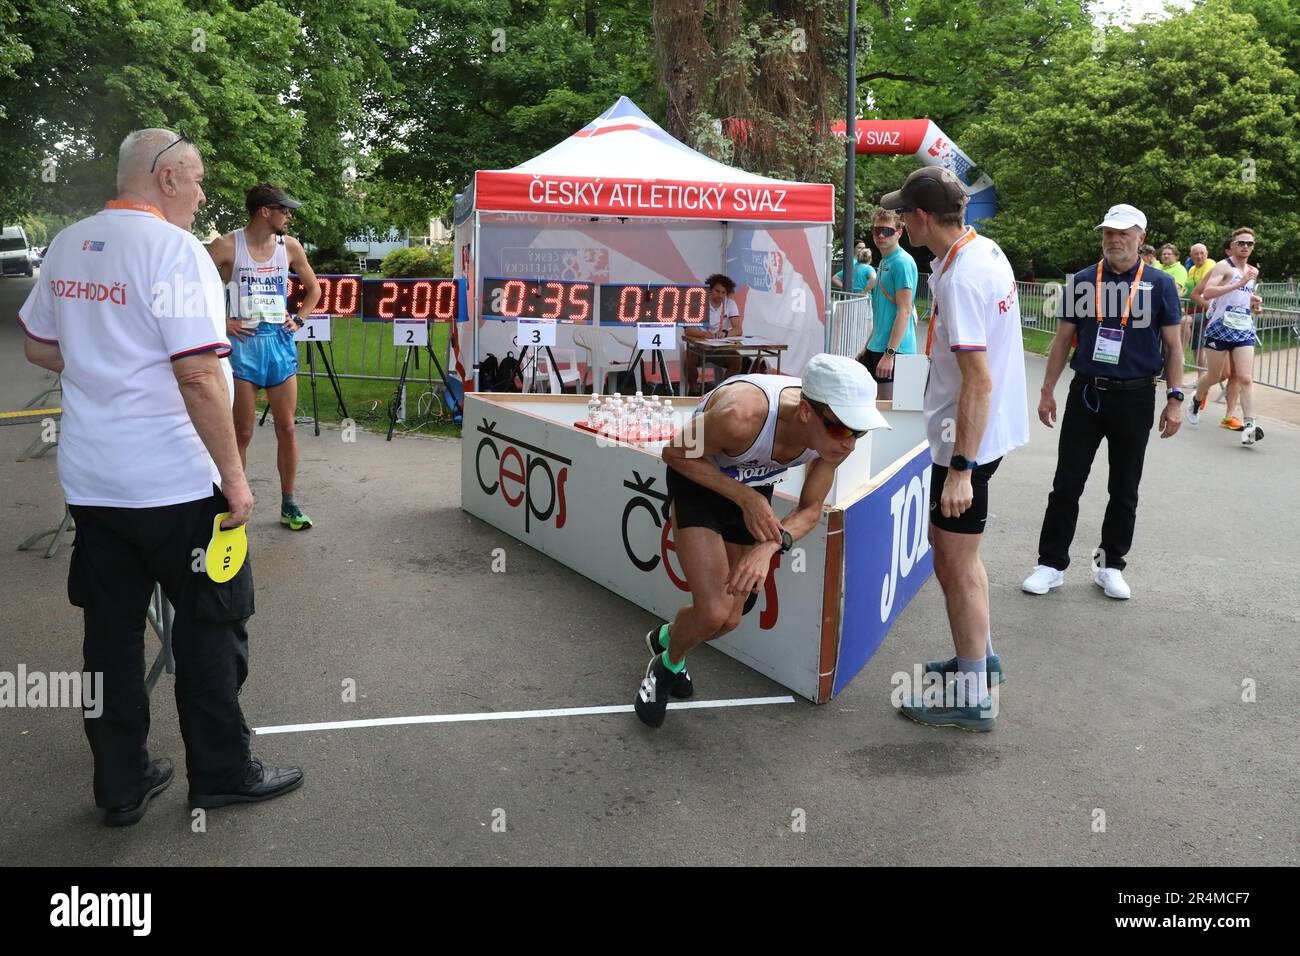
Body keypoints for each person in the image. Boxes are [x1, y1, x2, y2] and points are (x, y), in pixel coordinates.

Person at [17, 129, 303, 826]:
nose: (205, 193)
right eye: (198, 179)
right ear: (166, 177)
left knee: (109, 637)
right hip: (175, 485)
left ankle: (120, 783)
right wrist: (237, 482)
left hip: (93, 482)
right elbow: (200, 374)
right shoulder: (174, 251)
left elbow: (36, 343)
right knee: (211, 624)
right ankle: (221, 772)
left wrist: (104, 365)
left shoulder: (69, 242)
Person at [633, 355, 890, 727]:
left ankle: (667, 638)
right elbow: (673, 452)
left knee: (732, 618)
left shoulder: (831, 442)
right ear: (805, 412)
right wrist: (745, 497)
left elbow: (810, 510)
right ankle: (666, 664)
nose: (849, 444)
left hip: (750, 492)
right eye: (841, 429)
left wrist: (769, 547)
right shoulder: (741, 415)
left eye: (859, 431)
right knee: (713, 612)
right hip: (699, 480)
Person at [881, 166, 1028, 732]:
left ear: (920, 218)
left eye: (901, 214)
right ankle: (978, 661)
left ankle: (974, 696)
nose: (896, 222)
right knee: (959, 560)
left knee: (954, 563)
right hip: (979, 437)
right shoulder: (979, 252)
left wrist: (961, 469)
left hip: (967, 445)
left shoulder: (960, 277)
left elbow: (978, 380)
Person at [1023, 203, 1184, 603]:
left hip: (1136, 395)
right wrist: (1046, 391)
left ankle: (1110, 565)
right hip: (1088, 394)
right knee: (1066, 483)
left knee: (1124, 487)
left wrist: (1175, 398)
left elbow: (1174, 346)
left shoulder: (1160, 285)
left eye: (1123, 233)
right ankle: (1051, 564)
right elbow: (1062, 342)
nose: (1114, 240)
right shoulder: (1082, 282)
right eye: (1109, 233)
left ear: (1140, 238)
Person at [207, 183, 320, 530]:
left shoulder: (290, 247)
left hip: (279, 342)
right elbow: (191, 289)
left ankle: (289, 503)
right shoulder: (227, 245)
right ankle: (234, 503)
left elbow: (314, 289)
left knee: (286, 427)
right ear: (264, 211)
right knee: (241, 432)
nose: (289, 216)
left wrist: (299, 318)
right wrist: (224, 322)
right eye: (284, 210)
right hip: (244, 345)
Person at [1187, 227, 1264, 445]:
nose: (1246, 247)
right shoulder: (1223, 266)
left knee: (1245, 377)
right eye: (1241, 243)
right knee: (1213, 376)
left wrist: (1254, 304)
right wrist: (1239, 283)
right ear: (1233, 245)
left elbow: (1240, 297)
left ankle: (1250, 426)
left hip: (1242, 328)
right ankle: (1196, 399)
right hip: (1220, 328)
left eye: (1249, 243)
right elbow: (1207, 293)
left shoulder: (1252, 271)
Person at [858, 207, 919, 402]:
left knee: (888, 412)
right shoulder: (885, 262)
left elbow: (905, 311)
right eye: (877, 231)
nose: (881, 236)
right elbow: (883, 315)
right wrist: (867, 347)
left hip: (894, 351)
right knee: (874, 408)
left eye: (887, 231)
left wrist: (890, 354)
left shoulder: (901, 262)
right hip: (879, 347)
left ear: (899, 233)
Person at [681, 273, 741, 394]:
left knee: (736, 359)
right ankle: (694, 390)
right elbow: (688, 330)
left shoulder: (730, 304)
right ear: (710, 290)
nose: (720, 295)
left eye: (723, 293)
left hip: (719, 347)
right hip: (698, 347)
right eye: (717, 291)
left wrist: (724, 333)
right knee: (689, 359)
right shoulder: (697, 301)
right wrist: (702, 334)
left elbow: (738, 329)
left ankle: (722, 391)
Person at [1182, 242, 1215, 368]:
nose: (1200, 256)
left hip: (1207, 309)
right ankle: (1200, 378)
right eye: (1196, 254)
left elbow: (1203, 289)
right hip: (1193, 309)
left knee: (1185, 321)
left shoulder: (1210, 264)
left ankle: (1180, 354)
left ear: (1207, 254)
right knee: (1197, 346)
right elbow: (1188, 289)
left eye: (1202, 253)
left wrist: (1193, 295)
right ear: (1191, 256)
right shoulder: (1192, 269)